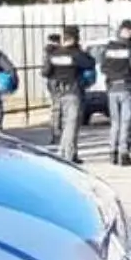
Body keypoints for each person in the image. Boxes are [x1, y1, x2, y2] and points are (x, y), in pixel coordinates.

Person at [41, 25, 96, 164]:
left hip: (58, 93)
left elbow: (45, 72)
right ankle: (67, 154)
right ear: (75, 38)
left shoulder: (54, 54)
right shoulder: (76, 54)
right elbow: (90, 63)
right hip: (72, 92)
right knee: (72, 125)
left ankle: (67, 152)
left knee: (65, 124)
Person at [99, 19, 131, 166]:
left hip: (112, 89)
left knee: (115, 123)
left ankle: (112, 152)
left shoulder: (108, 49)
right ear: (128, 31)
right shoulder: (130, 50)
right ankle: (124, 154)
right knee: (126, 122)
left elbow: (103, 68)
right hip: (126, 88)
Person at [44, 32, 62, 145]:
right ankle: (57, 134)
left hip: (51, 81)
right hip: (58, 81)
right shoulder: (56, 52)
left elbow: (45, 71)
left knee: (55, 108)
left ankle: (55, 134)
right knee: (58, 109)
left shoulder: (46, 51)